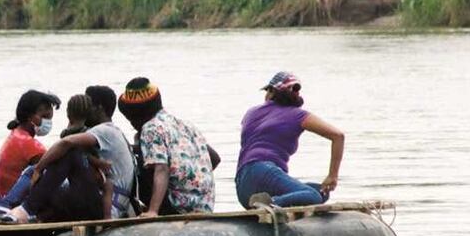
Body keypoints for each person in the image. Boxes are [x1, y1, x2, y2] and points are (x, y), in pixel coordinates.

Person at [5, 85, 134, 223]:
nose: (84, 109)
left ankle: (25, 209)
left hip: (108, 208)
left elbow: (66, 143)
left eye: (87, 104)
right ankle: (18, 211)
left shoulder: (105, 131)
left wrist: (39, 168)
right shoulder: (109, 132)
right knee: (51, 179)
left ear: (99, 108)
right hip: (100, 199)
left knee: (71, 151)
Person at [235, 72, 345, 209]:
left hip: (242, 184)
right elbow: (338, 136)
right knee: (313, 196)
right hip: (263, 170)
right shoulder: (298, 115)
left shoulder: (251, 112)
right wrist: (332, 176)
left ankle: (268, 203)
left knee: (321, 192)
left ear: (271, 92)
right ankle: (272, 203)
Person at [117, 77, 220, 217]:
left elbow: (161, 168)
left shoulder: (150, 128)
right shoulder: (185, 125)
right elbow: (214, 158)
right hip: (204, 204)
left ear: (135, 114)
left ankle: (153, 208)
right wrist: (191, 178)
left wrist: (153, 211)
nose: (131, 124)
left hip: (177, 206)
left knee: (135, 163)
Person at [0, 89, 61, 198]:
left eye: (49, 118)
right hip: (17, 202)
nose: (48, 122)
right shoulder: (32, 147)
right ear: (29, 116)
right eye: (44, 117)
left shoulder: (15, 134)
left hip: (3, 197)